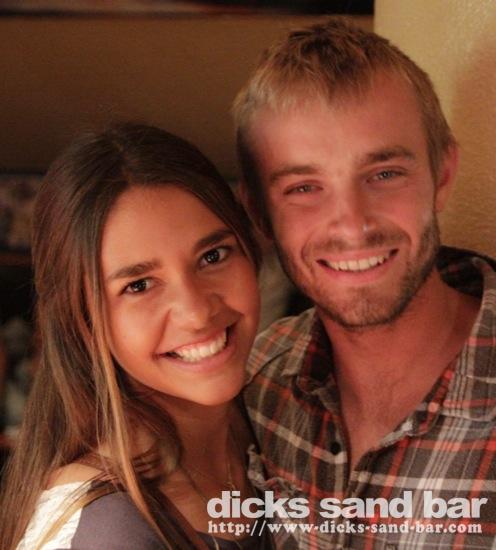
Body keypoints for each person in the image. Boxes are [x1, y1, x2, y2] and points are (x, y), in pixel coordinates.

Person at [233, 18, 496, 549]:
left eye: (384, 174)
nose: (352, 225)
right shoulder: (254, 383)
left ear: (442, 175)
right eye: (304, 187)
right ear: (259, 213)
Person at [0, 123, 275, 550]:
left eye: (213, 256)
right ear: (81, 319)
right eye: (139, 285)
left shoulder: (274, 418)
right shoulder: (106, 528)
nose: (196, 312)